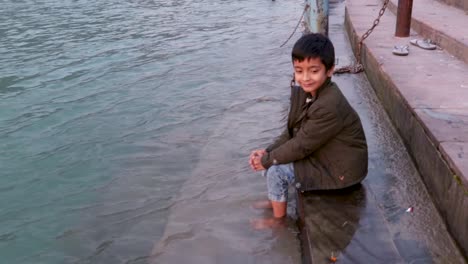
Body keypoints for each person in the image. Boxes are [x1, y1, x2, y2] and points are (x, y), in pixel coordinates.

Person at [249, 33, 368, 228]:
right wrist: (268, 151)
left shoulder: (328, 105)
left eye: (313, 71)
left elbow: (301, 145)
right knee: (272, 160)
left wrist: (268, 161)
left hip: (341, 171)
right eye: (299, 70)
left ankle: (279, 221)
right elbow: (292, 132)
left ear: (329, 70)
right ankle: (274, 200)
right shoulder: (308, 93)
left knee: (275, 171)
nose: (305, 78)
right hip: (328, 157)